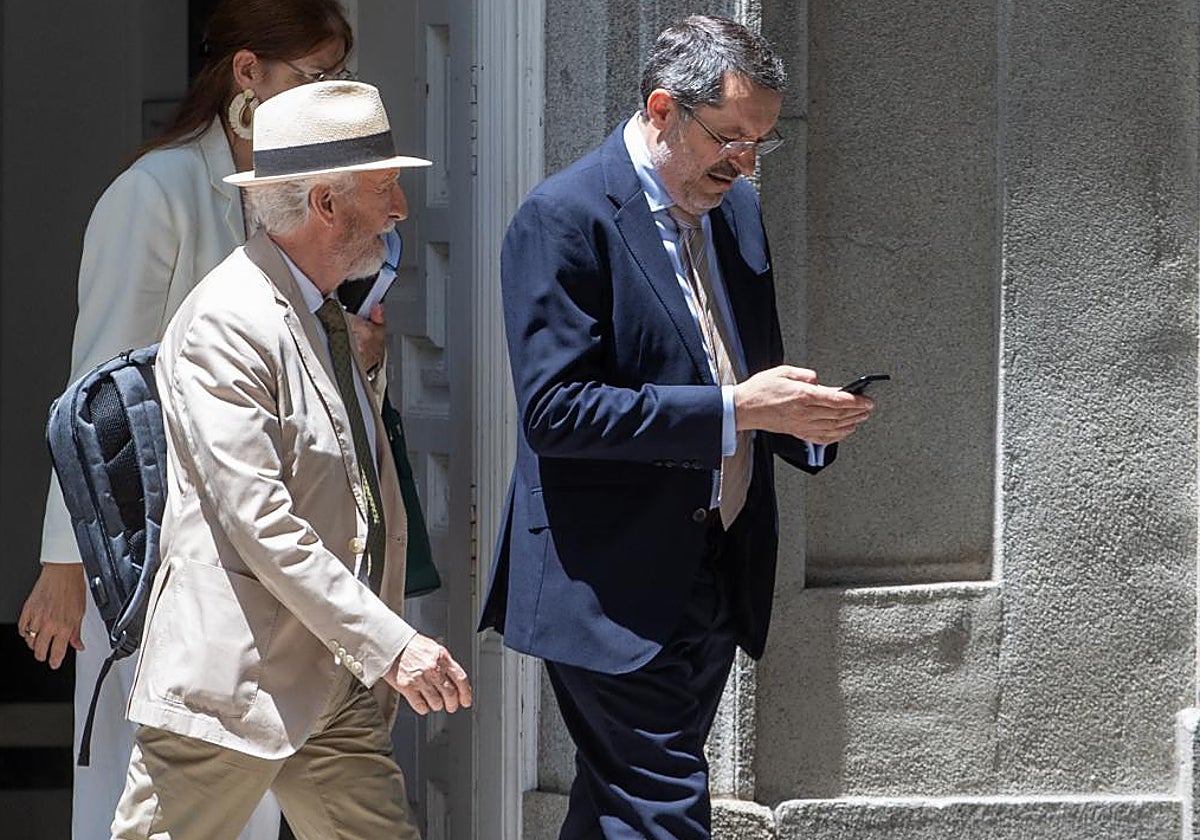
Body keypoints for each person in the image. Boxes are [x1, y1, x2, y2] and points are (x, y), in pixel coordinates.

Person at [479, 15, 875, 840]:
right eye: (729, 138)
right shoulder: (564, 217)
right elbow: (556, 412)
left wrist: (803, 422)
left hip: (714, 571)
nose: (744, 162)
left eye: (760, 142)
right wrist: (737, 412)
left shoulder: (734, 214)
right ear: (662, 109)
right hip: (608, 585)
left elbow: (743, 366)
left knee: (618, 805)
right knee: (662, 814)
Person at [16, 3, 368, 838]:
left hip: (274, 550)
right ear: (249, 73)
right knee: (149, 801)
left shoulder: (304, 195)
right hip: (154, 558)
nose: (332, 95)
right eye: (316, 77)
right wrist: (64, 562)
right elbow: (95, 392)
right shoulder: (155, 192)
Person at [109, 80, 473, 840]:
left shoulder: (322, 312)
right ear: (325, 205)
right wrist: (390, 642)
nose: (402, 208)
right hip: (229, 684)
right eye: (385, 188)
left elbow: (339, 477)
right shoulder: (226, 323)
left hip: (324, 678)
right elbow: (261, 522)